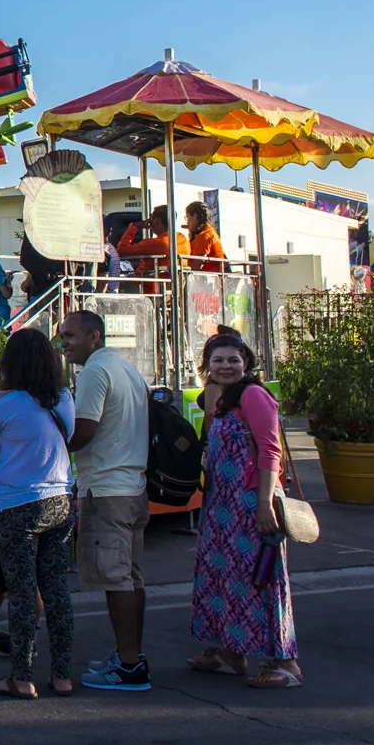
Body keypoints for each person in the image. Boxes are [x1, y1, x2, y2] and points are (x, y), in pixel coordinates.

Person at [186, 334, 301, 689]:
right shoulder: (221, 397)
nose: (226, 366)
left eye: (233, 360)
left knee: (262, 579)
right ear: (207, 366)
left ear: (247, 363)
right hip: (223, 506)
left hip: (251, 501)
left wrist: (264, 504)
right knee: (225, 577)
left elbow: (270, 450)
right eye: (218, 360)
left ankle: (286, 663)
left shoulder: (253, 395)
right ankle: (231, 651)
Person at [0, 329, 77, 698]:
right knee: (56, 591)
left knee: (21, 593)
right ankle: (62, 675)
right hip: (59, 499)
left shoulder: (6, 403)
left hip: (15, 504)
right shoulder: (64, 399)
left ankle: (21, 677)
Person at [58, 309, 154, 692]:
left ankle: (129, 665)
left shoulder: (95, 371)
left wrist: (50, 445)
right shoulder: (126, 367)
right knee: (130, 578)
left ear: (94, 336)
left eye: (70, 335)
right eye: (62, 336)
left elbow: (84, 430)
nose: (64, 343)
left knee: (117, 581)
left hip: (107, 488)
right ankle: (130, 656)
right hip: (132, 486)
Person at [117, 206, 187, 294]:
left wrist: (133, 226)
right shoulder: (183, 239)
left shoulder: (153, 243)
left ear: (157, 221)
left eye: (152, 219)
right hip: (173, 290)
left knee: (115, 283)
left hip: (146, 288)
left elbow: (120, 251)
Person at [183, 201, 227, 271]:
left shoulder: (204, 236)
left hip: (208, 275)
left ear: (194, 216)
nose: (187, 222)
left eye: (187, 217)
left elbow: (197, 265)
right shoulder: (210, 232)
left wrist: (180, 269)